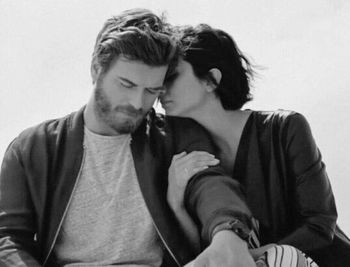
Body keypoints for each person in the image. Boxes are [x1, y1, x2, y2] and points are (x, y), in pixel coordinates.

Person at [0, 10, 257, 267]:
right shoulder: (33, 148)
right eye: (126, 84)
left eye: (151, 91)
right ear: (96, 69)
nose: (138, 103)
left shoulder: (178, 137)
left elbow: (211, 185)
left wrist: (228, 233)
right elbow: (8, 238)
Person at [161, 24, 350, 267]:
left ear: (211, 80)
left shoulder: (285, 127)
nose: (160, 89)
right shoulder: (191, 156)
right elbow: (204, 252)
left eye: (172, 76)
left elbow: (320, 224)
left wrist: (251, 255)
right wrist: (175, 203)